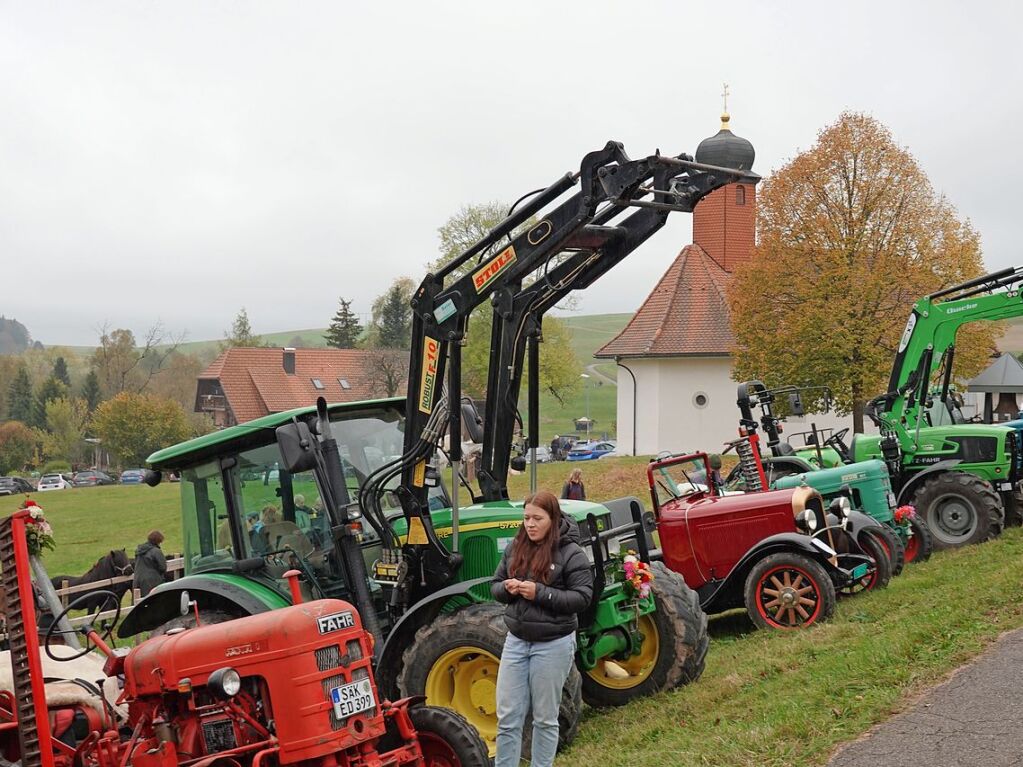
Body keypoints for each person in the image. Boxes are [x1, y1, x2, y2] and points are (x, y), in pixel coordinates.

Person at [491, 490, 593, 767]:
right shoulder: (515, 547)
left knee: (545, 718)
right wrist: (507, 588)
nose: (530, 524)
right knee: (508, 716)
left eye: (537, 518)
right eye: (526, 518)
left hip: (553, 643)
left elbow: (583, 598)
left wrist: (540, 593)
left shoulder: (571, 553)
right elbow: (495, 585)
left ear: (553, 518)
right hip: (517, 641)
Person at [133, 530, 167, 597]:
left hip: (137, 580)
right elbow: (163, 567)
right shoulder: (156, 551)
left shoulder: (138, 551)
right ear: (158, 541)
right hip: (152, 582)